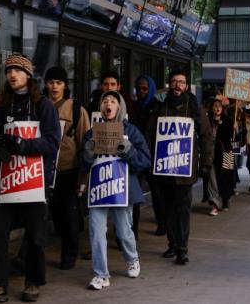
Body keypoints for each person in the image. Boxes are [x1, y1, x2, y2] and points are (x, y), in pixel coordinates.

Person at [0, 53, 61, 303]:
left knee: (35, 235)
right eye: (8, 71)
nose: (12, 75)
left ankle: (33, 282)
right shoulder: (2, 106)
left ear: (28, 75)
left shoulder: (43, 106)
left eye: (17, 70)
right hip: (7, 182)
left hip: (34, 181)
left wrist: (24, 145)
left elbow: (52, 142)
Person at [80, 90, 150, 290]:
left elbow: (145, 160)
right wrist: (88, 152)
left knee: (123, 230)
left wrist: (128, 150)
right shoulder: (91, 133)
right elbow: (83, 164)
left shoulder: (132, 131)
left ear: (119, 107)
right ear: (101, 108)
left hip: (121, 190)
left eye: (112, 101)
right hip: (98, 190)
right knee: (96, 231)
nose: (108, 104)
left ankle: (132, 259)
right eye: (104, 101)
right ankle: (100, 274)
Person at [146, 70, 213, 264]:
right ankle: (172, 244)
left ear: (186, 86)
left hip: (185, 169)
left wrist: (206, 161)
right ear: (169, 84)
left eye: (181, 82)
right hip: (163, 168)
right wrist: (148, 160)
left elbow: (206, 135)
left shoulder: (194, 107)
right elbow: (150, 135)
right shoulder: (160, 106)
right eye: (174, 81)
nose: (177, 85)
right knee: (167, 209)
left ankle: (182, 248)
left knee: (183, 209)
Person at [43, 66, 90, 269]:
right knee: (56, 216)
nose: (54, 86)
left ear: (65, 85)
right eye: (51, 82)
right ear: (46, 84)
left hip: (68, 171)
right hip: (45, 172)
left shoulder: (76, 109)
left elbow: (86, 143)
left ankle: (69, 256)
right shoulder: (40, 106)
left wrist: (83, 176)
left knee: (70, 215)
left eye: (59, 82)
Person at [130, 75, 164, 236]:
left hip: (153, 155)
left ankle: (162, 222)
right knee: (135, 192)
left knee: (157, 192)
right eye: (139, 88)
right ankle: (133, 230)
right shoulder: (133, 107)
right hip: (135, 154)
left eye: (145, 89)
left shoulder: (158, 107)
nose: (142, 92)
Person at [208, 98, 234, 212]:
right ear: (211, 108)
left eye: (220, 106)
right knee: (212, 177)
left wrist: (236, 129)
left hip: (226, 152)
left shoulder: (228, 120)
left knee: (227, 176)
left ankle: (225, 199)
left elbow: (232, 137)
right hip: (211, 152)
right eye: (215, 106)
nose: (218, 108)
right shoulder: (208, 120)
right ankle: (215, 202)